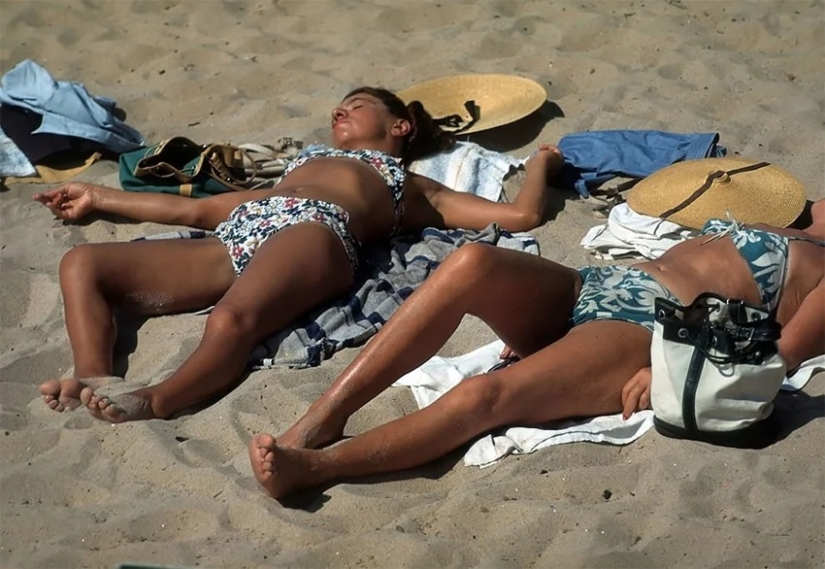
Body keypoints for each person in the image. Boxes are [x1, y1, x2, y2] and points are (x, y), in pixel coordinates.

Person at [34, 87, 565, 423]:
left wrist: (541, 164)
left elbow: (519, 217)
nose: (339, 110)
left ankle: (162, 398)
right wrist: (99, 197)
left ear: (400, 125)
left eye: (356, 105)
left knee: (231, 319)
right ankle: (95, 374)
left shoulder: (409, 183)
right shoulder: (307, 162)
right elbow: (200, 212)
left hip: (317, 232)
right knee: (81, 264)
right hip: (246, 229)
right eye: (338, 106)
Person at [248, 200, 825, 499]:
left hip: (646, 326)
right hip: (593, 284)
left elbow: (776, 358)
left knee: (489, 394)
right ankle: (320, 419)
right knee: (470, 262)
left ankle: (314, 469)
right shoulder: (795, 221)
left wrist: (665, 366)